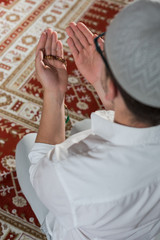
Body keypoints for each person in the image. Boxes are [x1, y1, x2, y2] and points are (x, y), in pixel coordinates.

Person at [16, 0, 160, 239]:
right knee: (83, 127)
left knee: (26, 147)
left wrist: (55, 94)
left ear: (113, 88)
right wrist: (102, 84)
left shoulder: (64, 171)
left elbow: (43, 171)